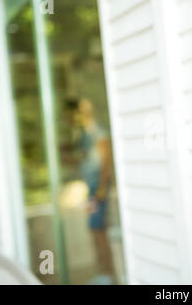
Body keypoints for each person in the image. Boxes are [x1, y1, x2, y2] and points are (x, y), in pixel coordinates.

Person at [73, 97, 116, 284]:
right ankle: (104, 272)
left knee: (98, 230)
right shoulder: (85, 134)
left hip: (98, 190)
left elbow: (106, 162)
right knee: (94, 230)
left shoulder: (99, 132)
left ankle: (108, 274)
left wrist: (100, 189)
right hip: (91, 188)